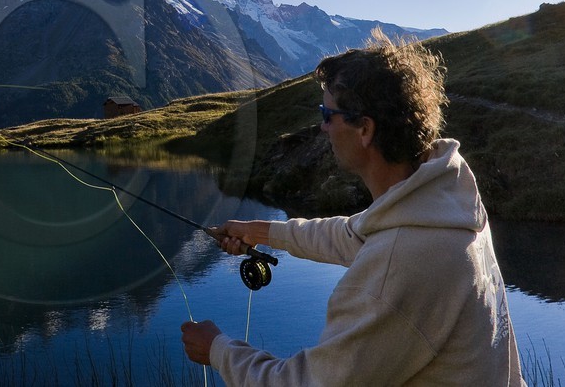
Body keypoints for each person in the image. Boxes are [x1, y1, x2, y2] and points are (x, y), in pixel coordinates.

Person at [181, 34, 524, 386]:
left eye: (327, 115)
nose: (322, 127)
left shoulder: (397, 268)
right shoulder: (447, 201)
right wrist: (258, 232)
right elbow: (350, 235)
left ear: (364, 128)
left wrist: (217, 350)